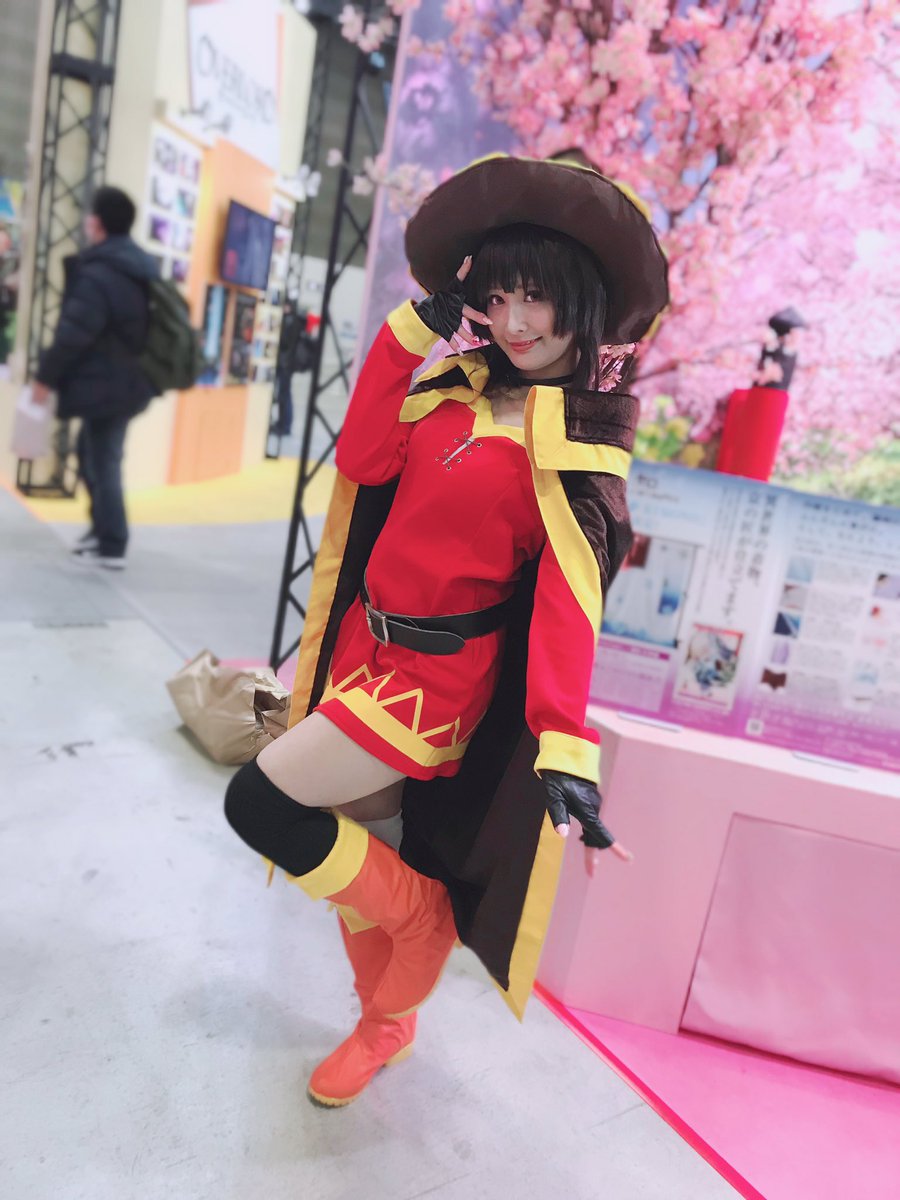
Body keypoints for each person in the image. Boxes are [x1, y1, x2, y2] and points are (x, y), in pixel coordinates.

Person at [223, 155, 669, 1107]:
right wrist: (405, 338)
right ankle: (383, 1023)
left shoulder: (577, 445)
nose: (514, 320)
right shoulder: (454, 389)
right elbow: (364, 457)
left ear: (581, 302)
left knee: (259, 805)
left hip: (433, 684)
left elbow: (568, 604)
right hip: (365, 652)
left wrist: (564, 749)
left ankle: (424, 921)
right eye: (498, 296)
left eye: (536, 296)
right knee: (356, 842)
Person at [31, 185, 158, 569]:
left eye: (90, 214)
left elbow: (74, 333)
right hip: (127, 382)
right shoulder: (137, 266)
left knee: (103, 460)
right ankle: (102, 530)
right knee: (91, 453)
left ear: (97, 222)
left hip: (109, 385)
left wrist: (44, 378)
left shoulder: (102, 272)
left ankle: (112, 544)